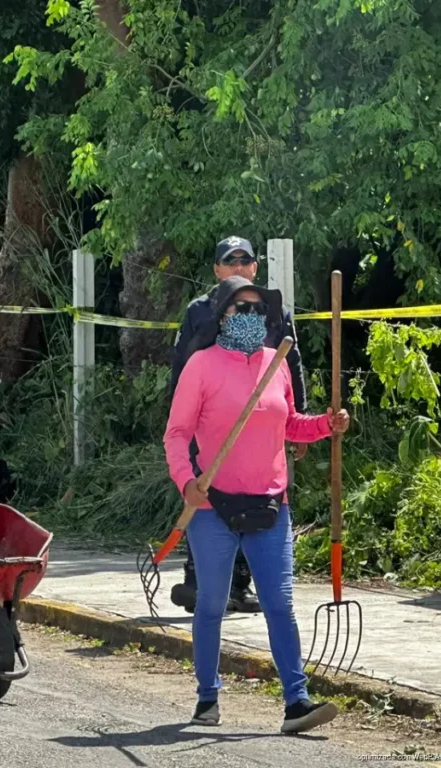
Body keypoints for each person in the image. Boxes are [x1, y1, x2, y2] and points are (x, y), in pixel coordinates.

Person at [164, 276, 350, 733]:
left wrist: (327, 424)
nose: (250, 317)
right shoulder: (201, 366)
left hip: (270, 504)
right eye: (239, 309)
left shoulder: (278, 363)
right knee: (211, 604)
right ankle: (207, 697)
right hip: (213, 509)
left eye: (256, 310)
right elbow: (176, 435)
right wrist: (187, 481)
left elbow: (291, 426)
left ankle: (296, 702)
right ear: (222, 316)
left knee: (280, 603)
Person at [167, 236, 308, 614]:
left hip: (263, 426)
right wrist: (179, 423)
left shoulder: (273, 310)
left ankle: (239, 585)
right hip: (211, 420)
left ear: (256, 268)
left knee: (257, 501)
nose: (239, 268)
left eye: (246, 262)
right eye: (231, 262)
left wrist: (299, 421)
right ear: (217, 270)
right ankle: (202, 582)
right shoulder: (202, 311)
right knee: (208, 497)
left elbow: (292, 368)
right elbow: (181, 368)